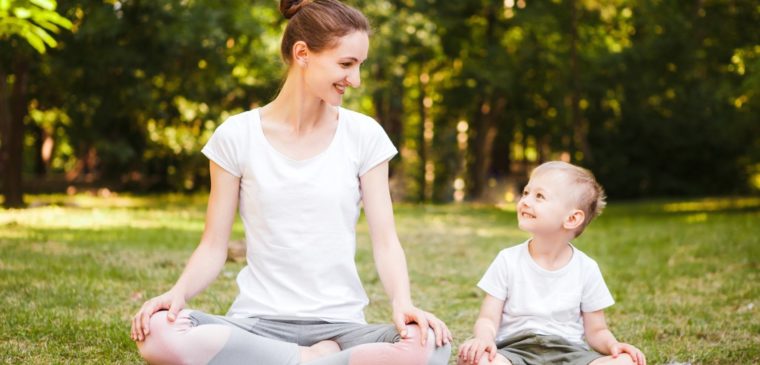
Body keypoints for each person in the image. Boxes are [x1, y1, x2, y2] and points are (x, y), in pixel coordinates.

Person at [130, 0, 452, 364]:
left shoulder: (364, 135)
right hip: (256, 324)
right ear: (302, 53)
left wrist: (403, 303)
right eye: (346, 64)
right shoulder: (236, 135)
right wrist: (178, 293)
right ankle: (313, 359)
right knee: (158, 334)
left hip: (340, 325)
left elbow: (386, 241)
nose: (356, 79)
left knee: (432, 345)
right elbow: (213, 246)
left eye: (359, 65)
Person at [457, 161, 646, 365]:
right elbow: (488, 318)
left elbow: (597, 330)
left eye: (539, 196)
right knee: (476, 361)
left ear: (572, 218)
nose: (526, 201)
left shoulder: (587, 268)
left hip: (569, 354)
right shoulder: (507, 260)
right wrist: (483, 340)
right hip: (514, 352)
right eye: (526, 192)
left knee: (627, 362)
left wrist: (613, 346)